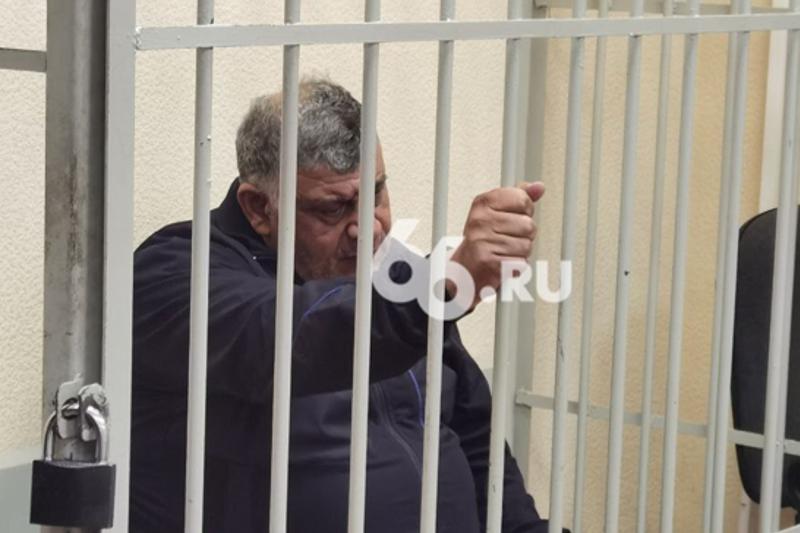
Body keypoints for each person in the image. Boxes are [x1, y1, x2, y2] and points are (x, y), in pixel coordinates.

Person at [130, 77, 555, 532]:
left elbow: (476, 443)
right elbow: (288, 335)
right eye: (333, 208)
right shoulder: (176, 270)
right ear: (258, 207)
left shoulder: (400, 282)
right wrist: (442, 287)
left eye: (377, 194)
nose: (368, 228)